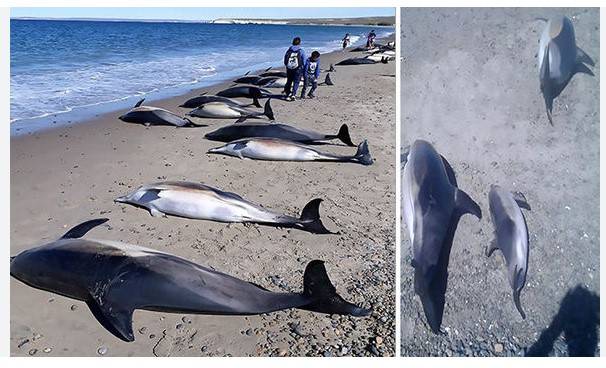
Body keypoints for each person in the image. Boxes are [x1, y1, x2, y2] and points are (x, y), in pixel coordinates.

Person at [283, 37, 306, 101]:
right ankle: (293, 94)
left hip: (289, 69)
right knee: (296, 82)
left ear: (292, 42)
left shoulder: (289, 50)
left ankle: (288, 94)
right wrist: (303, 69)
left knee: (289, 81)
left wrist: (288, 66)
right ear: (299, 43)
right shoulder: (301, 51)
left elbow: (285, 60)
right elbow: (304, 61)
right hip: (298, 69)